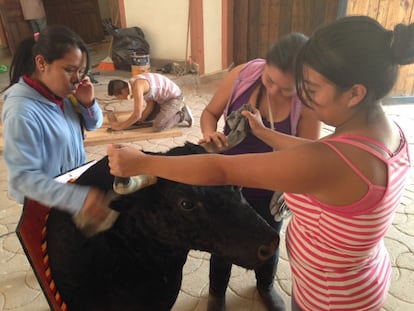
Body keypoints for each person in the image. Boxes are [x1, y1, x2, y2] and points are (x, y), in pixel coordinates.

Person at [107, 15, 413, 311]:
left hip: (329, 298)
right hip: (362, 278)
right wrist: (265, 133)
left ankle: (264, 287)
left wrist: (143, 162)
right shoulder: (389, 132)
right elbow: (317, 153)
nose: (304, 99)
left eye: (312, 89)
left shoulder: (330, 162)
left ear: (354, 93)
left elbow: (222, 169)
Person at [198, 32, 320, 311]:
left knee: (268, 240)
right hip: (227, 182)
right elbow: (209, 113)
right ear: (264, 66)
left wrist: (264, 133)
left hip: (269, 190)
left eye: (287, 89)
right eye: (270, 80)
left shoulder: (308, 102)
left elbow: (307, 156)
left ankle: (264, 286)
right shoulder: (243, 74)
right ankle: (216, 293)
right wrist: (209, 134)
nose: (276, 91)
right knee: (221, 240)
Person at [1, 25, 110, 226]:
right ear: (41, 63)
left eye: (80, 71)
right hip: (49, 202)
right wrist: (79, 198)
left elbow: (94, 125)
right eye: (69, 70)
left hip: (71, 187)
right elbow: (22, 180)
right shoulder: (21, 112)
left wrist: (88, 103)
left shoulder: (62, 94)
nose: (77, 79)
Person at [107, 73, 193, 131]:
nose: (121, 99)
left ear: (122, 91)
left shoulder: (137, 88)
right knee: (146, 119)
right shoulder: (133, 82)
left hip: (174, 98)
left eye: (118, 96)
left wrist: (120, 126)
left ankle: (183, 115)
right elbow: (150, 104)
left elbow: (137, 114)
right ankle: (167, 112)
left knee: (158, 126)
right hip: (161, 99)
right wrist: (140, 120)